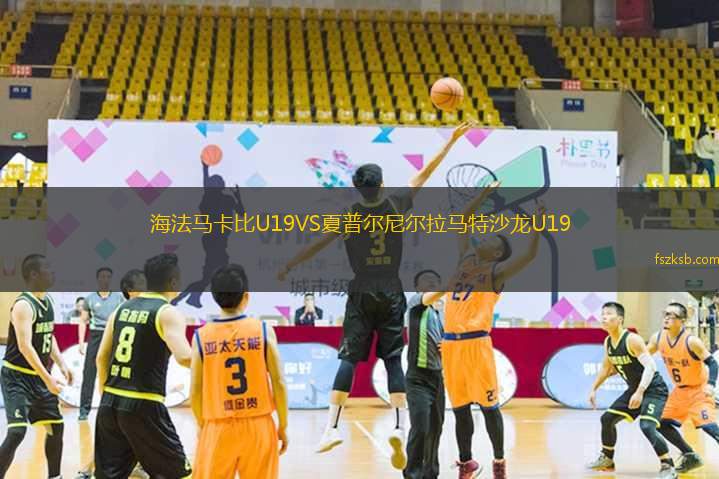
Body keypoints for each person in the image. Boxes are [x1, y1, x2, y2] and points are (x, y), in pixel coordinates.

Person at [278, 120, 475, 468]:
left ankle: (331, 428)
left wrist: (290, 265)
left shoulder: (350, 215)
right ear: (382, 185)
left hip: (361, 288)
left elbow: (318, 243)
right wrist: (452, 141)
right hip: (391, 288)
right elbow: (425, 173)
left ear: (357, 189)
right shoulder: (396, 203)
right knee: (393, 359)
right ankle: (399, 425)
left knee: (348, 359)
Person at [422, 183, 541, 479]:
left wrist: (537, 226)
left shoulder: (496, 272)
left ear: (497, 252)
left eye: (490, 239)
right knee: (460, 410)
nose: (483, 237)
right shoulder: (465, 259)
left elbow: (528, 256)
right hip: (451, 346)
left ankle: (499, 461)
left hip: (476, 345)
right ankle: (467, 463)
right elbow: (464, 219)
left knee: (489, 407)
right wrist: (483, 194)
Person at [94, 253, 193, 479]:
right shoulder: (167, 312)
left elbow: (101, 358)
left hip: (110, 402)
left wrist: (105, 395)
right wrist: (215, 355)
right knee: (179, 474)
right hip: (144, 405)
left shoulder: (121, 309)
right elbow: (185, 357)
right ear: (173, 282)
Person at [191, 264, 289, 479]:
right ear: (246, 296)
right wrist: (283, 425)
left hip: (218, 426)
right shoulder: (263, 330)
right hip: (258, 424)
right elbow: (279, 382)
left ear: (214, 297)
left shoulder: (201, 336)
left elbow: (195, 390)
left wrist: (202, 424)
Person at [0, 254, 72, 479]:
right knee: (17, 432)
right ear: (34, 274)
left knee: (56, 426)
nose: (53, 272)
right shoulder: (23, 305)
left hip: (37, 377)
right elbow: (25, 346)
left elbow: (48, 335)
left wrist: (62, 364)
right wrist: (48, 379)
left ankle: (55, 477)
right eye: (48, 268)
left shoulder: (47, 300)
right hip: (17, 377)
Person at [587, 302, 676, 479]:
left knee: (647, 426)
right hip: (634, 389)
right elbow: (606, 368)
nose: (604, 317)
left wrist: (640, 392)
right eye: (602, 313)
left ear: (620, 319)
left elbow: (651, 367)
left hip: (654, 390)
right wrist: (593, 389)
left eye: (609, 314)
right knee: (607, 419)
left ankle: (668, 465)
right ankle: (607, 459)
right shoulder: (608, 342)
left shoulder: (632, 339)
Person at [75, 268, 150, 479]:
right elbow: (100, 357)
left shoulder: (122, 305)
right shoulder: (96, 301)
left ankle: (136, 464)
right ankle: (87, 468)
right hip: (119, 379)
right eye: (140, 285)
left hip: (127, 386)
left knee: (123, 427)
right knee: (116, 425)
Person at [647, 302, 719, 473]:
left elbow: (712, 363)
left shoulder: (691, 341)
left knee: (709, 427)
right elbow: (643, 355)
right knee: (660, 423)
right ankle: (690, 455)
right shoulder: (658, 338)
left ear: (683, 321)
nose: (667, 318)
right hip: (679, 391)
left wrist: (710, 384)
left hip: (698, 390)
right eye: (665, 314)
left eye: (672, 316)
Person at [403, 269, 445, 479]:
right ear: (418, 288)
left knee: (436, 430)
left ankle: (431, 474)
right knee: (420, 428)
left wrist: (448, 345)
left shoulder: (441, 313)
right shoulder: (415, 305)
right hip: (417, 379)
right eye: (427, 281)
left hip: (438, 378)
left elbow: (448, 341)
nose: (432, 284)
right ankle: (412, 474)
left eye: (435, 281)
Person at [78, 267, 125, 421]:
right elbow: (83, 321)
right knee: (89, 373)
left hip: (113, 335)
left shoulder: (119, 297)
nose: (105, 279)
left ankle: (113, 409)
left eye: (108, 277)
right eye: (102, 277)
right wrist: (81, 342)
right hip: (96, 336)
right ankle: (84, 410)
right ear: (98, 279)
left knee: (114, 373)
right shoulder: (90, 298)